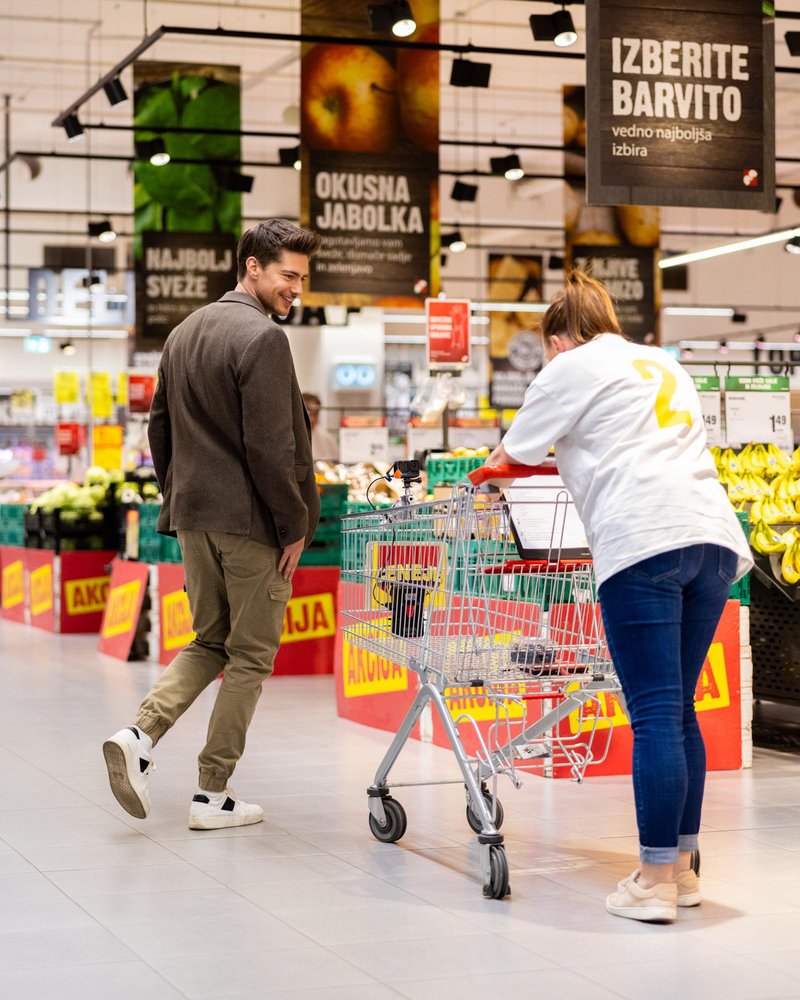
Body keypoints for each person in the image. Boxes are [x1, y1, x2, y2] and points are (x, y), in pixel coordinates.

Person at [482, 270, 752, 923]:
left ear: (555, 340)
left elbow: (511, 458)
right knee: (680, 710)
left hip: (643, 542)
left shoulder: (568, 366)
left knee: (655, 715)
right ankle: (682, 872)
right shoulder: (661, 361)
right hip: (713, 539)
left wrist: (478, 479)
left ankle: (654, 880)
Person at [103, 219, 322, 831]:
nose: (295, 290)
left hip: (194, 518)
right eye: (287, 275)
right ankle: (212, 792)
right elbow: (272, 449)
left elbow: (159, 430)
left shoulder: (183, 333)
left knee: (209, 641)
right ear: (252, 267)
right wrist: (294, 524)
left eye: (302, 279)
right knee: (250, 657)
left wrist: (179, 495)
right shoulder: (262, 340)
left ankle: (139, 735)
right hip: (252, 522)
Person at [302, 392, 339, 461]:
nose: (312, 419)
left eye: (315, 415)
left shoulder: (326, 436)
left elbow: (336, 460)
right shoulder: (290, 436)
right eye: (309, 414)